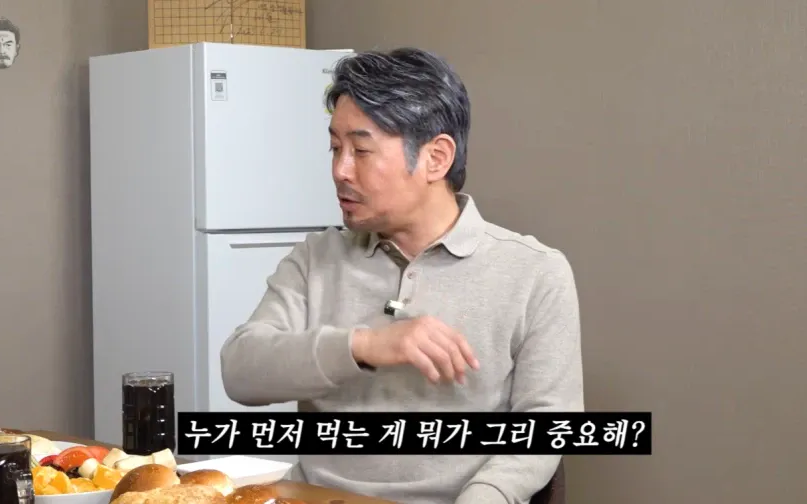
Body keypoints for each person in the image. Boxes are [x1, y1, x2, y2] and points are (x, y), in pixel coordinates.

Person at [220, 47, 584, 504]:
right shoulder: (317, 258)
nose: (339, 170)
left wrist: (485, 496)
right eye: (335, 148)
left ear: (436, 158)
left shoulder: (535, 273)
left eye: (361, 150)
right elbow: (241, 372)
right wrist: (365, 346)